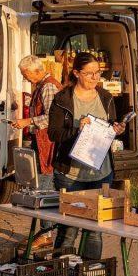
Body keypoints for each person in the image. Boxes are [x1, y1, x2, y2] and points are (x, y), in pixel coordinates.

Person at [47, 52, 127, 259]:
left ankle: (90, 275)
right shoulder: (62, 99)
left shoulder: (106, 97)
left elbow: (109, 126)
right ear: (76, 73)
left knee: (94, 231)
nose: (95, 78)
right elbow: (53, 134)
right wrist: (76, 129)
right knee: (68, 230)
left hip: (101, 173)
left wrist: (117, 129)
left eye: (98, 73)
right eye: (89, 74)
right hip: (71, 174)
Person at [11, 55, 62, 249]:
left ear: (35, 71)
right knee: (41, 186)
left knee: (44, 188)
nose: (25, 78)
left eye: (25, 74)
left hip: (47, 144)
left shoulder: (48, 86)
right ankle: (43, 233)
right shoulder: (41, 86)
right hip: (41, 142)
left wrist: (28, 121)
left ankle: (46, 234)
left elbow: (52, 118)